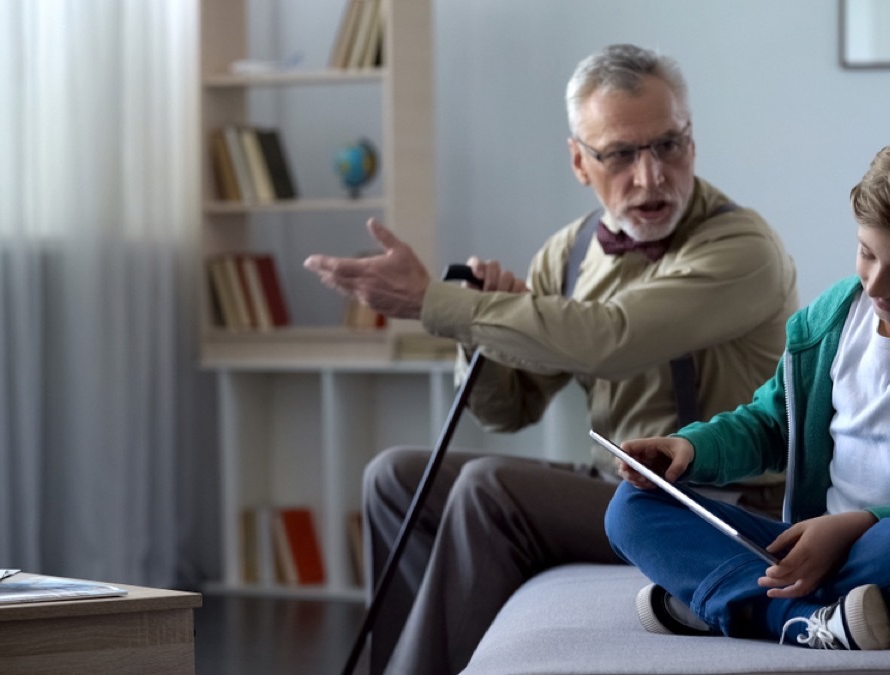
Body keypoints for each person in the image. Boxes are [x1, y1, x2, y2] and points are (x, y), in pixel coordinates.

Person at [304, 44, 799, 674]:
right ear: (578, 161)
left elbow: (611, 336)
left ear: (692, 141)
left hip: (719, 506)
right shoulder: (569, 253)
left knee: (491, 490)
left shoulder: (741, 246)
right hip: (616, 488)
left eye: (668, 145)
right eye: (621, 154)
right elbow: (508, 408)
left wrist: (437, 303)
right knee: (394, 476)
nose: (650, 177)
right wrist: (482, 326)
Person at [604, 120, 890, 651]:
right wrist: (689, 449)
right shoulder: (831, 320)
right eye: (867, 253)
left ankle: (734, 603)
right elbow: (770, 424)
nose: (877, 285)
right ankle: (806, 617)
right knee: (631, 508)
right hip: (809, 542)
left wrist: (852, 528)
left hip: (888, 547)